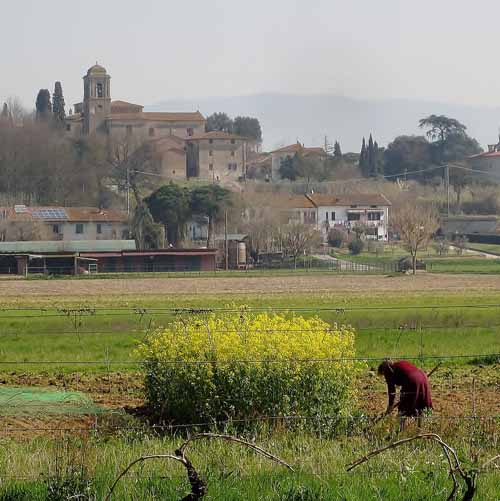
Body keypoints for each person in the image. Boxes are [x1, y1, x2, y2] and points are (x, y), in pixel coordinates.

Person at [378, 360, 432, 429]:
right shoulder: (401, 363)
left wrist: (390, 407)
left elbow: (391, 391)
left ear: (383, 370)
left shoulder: (387, 371)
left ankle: (400, 431)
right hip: (423, 378)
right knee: (420, 406)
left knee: (403, 409)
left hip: (412, 381)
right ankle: (420, 430)